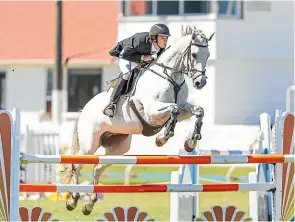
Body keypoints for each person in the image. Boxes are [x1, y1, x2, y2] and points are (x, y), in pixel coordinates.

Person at [103, 23, 171, 118]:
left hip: (141, 59)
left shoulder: (161, 48)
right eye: (163, 38)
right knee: (127, 74)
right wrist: (143, 57)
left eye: (166, 38)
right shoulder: (140, 40)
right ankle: (111, 104)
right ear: (154, 38)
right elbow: (124, 54)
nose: (165, 41)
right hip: (125, 56)